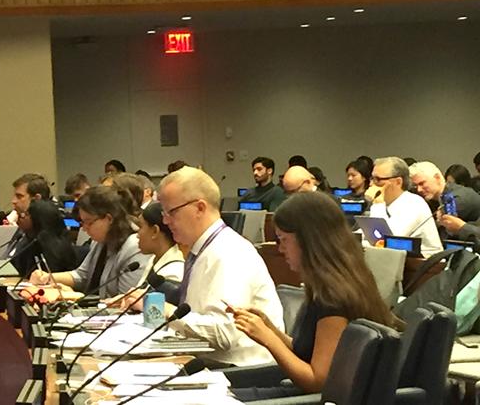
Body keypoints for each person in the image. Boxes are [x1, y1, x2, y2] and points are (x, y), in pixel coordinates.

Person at [229, 193, 402, 400]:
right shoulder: (338, 282)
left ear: (309, 240)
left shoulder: (333, 297)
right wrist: (269, 329)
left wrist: (268, 340)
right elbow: (307, 351)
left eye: (284, 239)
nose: (281, 248)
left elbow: (317, 381)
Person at [158, 166, 283, 367]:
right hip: (209, 363)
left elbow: (225, 334)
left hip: (241, 372)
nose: (165, 220)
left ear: (199, 207)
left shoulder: (229, 252)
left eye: (170, 212)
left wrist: (166, 312)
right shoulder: (205, 249)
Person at [28, 185, 149, 300]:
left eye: (89, 222)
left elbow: (125, 302)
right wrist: (48, 278)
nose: (84, 228)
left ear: (109, 219)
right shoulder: (101, 240)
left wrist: (76, 297)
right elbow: (82, 276)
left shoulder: (135, 247)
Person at [111, 201, 185, 310]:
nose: (137, 235)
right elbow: (139, 299)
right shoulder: (154, 260)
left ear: (155, 231)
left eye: (141, 227)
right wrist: (125, 299)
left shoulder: (173, 272)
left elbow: (156, 314)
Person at [368, 157, 442, 256]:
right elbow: (369, 236)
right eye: (372, 178)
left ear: (398, 182)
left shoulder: (414, 204)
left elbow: (385, 241)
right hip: (398, 261)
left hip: (425, 265)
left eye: (378, 179)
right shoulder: (383, 204)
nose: (371, 184)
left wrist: (378, 205)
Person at [12, 199, 79, 277]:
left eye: (26, 214)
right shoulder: (28, 241)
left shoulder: (57, 249)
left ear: (38, 220)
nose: (20, 219)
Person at [411, 160, 480, 223]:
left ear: (437, 178)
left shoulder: (456, 198)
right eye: (416, 186)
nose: (418, 189)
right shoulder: (434, 200)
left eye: (422, 183)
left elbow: (443, 232)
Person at [6, 173, 51, 262]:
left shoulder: (47, 232)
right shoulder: (24, 226)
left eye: (19, 196)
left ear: (37, 199)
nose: (13, 201)